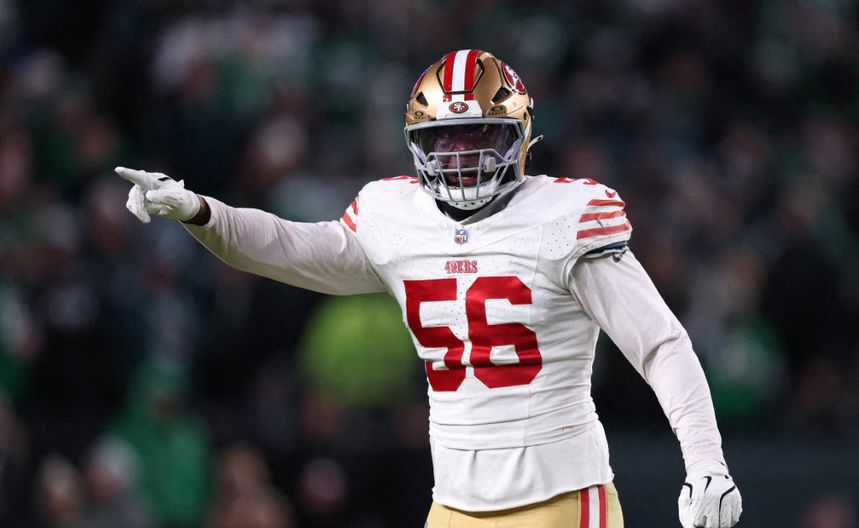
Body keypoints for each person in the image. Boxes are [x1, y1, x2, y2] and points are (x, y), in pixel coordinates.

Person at [116, 49, 742, 528]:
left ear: (520, 139)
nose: (461, 155)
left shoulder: (565, 216)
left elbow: (660, 343)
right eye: (445, 139)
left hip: (559, 499)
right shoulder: (397, 216)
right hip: (453, 505)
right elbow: (285, 247)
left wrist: (705, 459)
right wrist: (199, 210)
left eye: (479, 136)